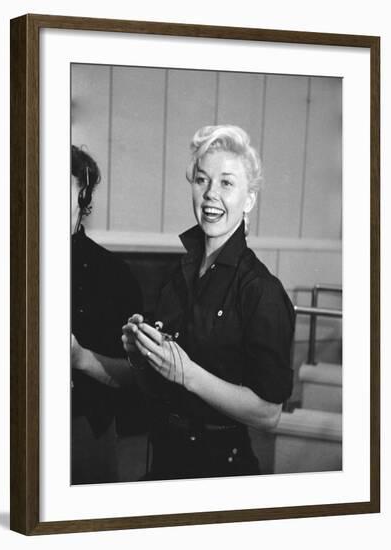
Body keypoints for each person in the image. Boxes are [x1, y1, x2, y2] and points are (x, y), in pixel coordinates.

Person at [122, 125, 294, 481]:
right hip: (164, 459)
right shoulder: (178, 275)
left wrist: (188, 374)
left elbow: (269, 414)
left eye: (227, 183)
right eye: (202, 180)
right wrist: (143, 357)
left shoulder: (261, 290)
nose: (211, 194)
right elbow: (161, 385)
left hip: (220, 470)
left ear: (249, 199)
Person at [71, 145, 143, 484]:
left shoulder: (113, 273)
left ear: (83, 193)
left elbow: (135, 376)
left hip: (86, 427)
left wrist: (79, 358)